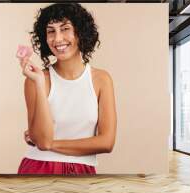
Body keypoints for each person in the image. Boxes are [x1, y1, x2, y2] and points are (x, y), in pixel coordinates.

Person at [17, 3, 117, 175]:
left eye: (65, 28)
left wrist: (51, 144)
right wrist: (40, 84)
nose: (57, 39)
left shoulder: (102, 79)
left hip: (84, 170)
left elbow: (107, 143)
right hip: (38, 167)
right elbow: (42, 139)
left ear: (80, 32)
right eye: (51, 31)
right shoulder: (36, 80)